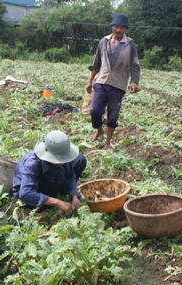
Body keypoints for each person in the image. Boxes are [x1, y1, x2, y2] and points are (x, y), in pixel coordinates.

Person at [86, 13, 141, 150]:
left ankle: (107, 143)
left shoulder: (130, 44)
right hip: (102, 81)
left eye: (122, 28)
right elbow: (96, 63)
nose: (118, 30)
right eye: (116, 26)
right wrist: (90, 81)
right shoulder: (103, 41)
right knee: (94, 110)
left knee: (112, 115)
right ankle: (99, 130)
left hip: (118, 84)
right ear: (112, 26)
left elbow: (135, 65)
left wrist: (134, 82)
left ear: (125, 30)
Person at [12, 131, 87, 216]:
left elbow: (70, 175)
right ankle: (39, 209)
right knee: (58, 172)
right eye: (61, 159)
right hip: (33, 189)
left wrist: (75, 197)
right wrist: (57, 202)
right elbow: (25, 193)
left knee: (80, 160)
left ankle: (61, 190)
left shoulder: (61, 153)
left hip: (51, 178)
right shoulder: (32, 164)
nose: (64, 163)